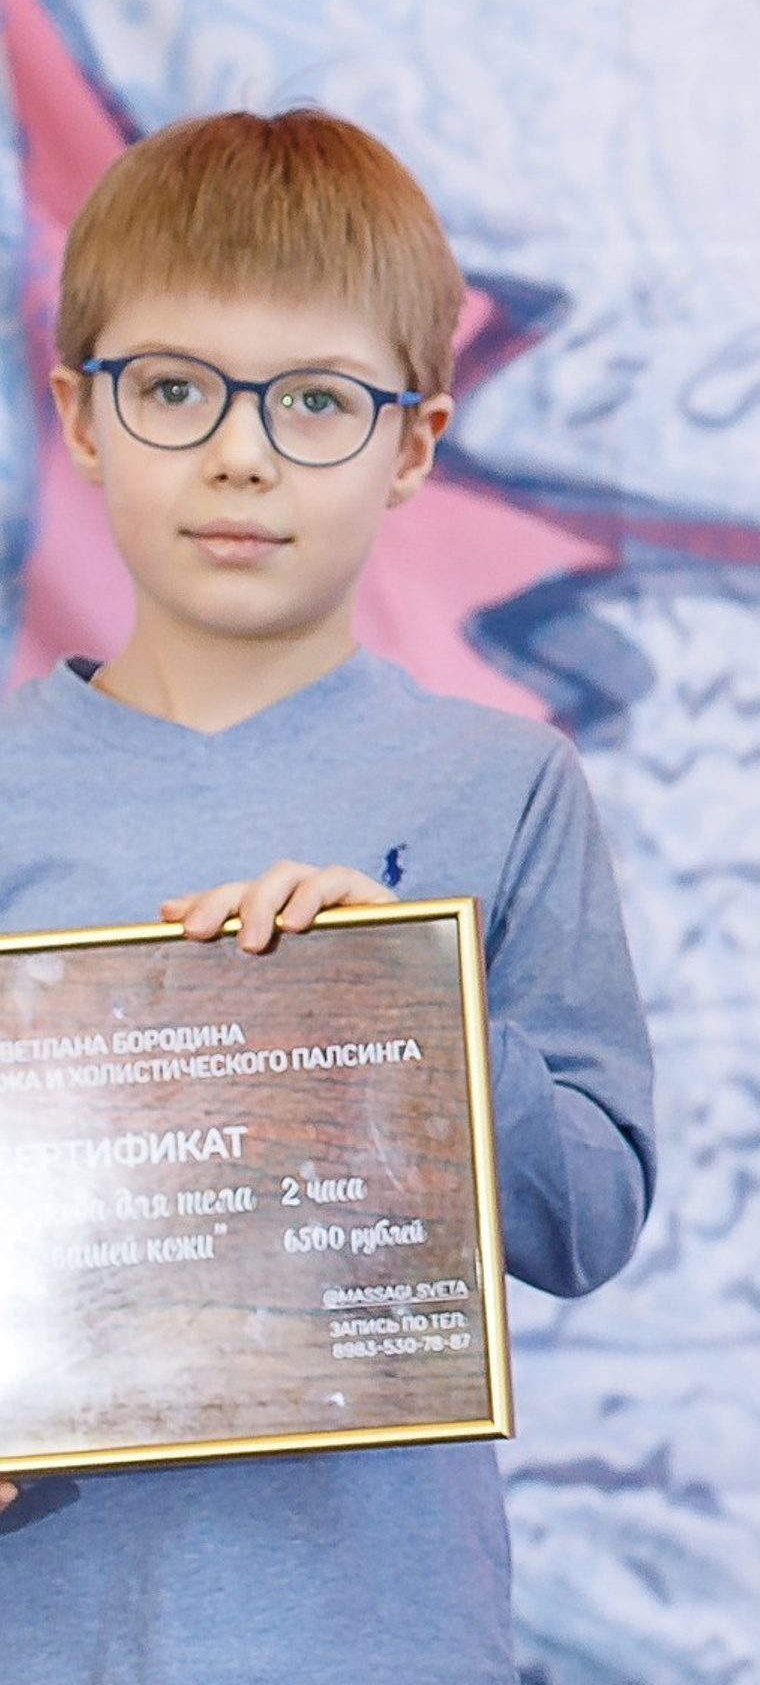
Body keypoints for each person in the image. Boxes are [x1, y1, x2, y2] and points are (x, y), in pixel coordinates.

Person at [0, 111, 654, 1685]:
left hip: (379, 1632)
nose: (240, 454)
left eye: (313, 402)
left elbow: (593, 1219)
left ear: (413, 445)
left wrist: (410, 1019)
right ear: (83, 418)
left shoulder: (499, 787)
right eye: (174, 390)